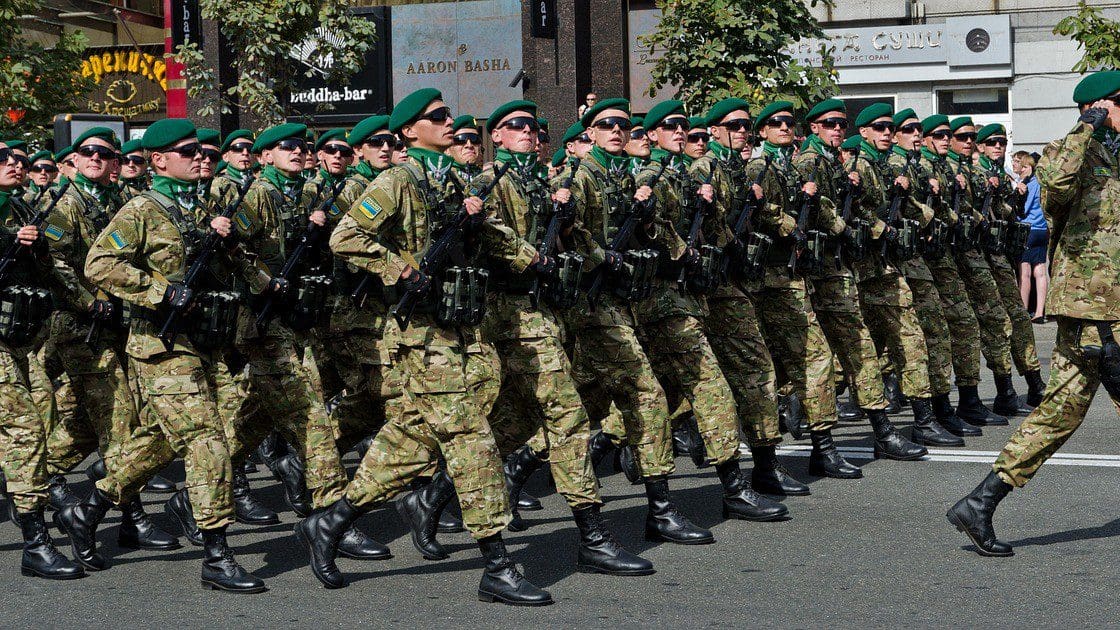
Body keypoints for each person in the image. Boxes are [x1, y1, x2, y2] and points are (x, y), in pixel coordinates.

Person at [299, 88, 552, 606]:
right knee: (469, 437)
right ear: (410, 131)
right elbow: (345, 237)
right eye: (438, 117)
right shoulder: (397, 181)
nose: (450, 121)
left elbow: (491, 233)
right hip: (423, 335)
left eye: (449, 115)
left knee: (415, 438)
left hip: (465, 326)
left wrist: (530, 256)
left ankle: (332, 519)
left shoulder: (457, 178)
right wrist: (400, 266)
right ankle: (497, 563)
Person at [58, 118, 279, 592]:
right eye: (187, 152)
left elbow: (234, 262)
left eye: (202, 151)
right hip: (160, 344)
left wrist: (256, 273)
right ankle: (217, 553)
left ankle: (90, 506)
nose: (201, 157)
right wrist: (158, 291)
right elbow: (100, 263)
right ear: (158, 161)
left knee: (161, 439)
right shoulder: (142, 208)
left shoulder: (202, 206)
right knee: (205, 439)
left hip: (206, 340)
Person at [947, 70, 1120, 557]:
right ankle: (979, 503)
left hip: (1106, 305)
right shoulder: (1077, 151)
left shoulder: (1115, 156)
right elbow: (1055, 184)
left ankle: (979, 503)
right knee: (1064, 409)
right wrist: (1087, 125)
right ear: (1100, 107)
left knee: (1060, 411)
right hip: (1094, 309)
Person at [477, 98, 654, 573]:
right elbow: (485, 238)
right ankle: (592, 535)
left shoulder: (547, 183)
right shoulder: (485, 183)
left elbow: (571, 236)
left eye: (534, 127)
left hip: (548, 309)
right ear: (496, 135)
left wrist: (576, 234)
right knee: (567, 414)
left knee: (514, 417)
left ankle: (433, 495)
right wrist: (527, 256)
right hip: (508, 311)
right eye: (515, 126)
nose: (528, 133)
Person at [795, 98, 930, 458]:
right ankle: (814, 438)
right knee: (818, 357)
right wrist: (849, 223)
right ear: (814, 128)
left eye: (841, 123)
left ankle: (881, 431)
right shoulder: (809, 162)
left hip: (837, 269)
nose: (837, 128)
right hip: (812, 271)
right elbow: (817, 210)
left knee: (857, 350)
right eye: (829, 123)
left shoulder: (836, 162)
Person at [0, 139, 86, 580]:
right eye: (5, 160)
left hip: (17, 340)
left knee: (39, 415)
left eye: (17, 160)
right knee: (24, 430)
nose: (15, 164)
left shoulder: (17, 209)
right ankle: (35, 541)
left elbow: (47, 271)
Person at [1012, 151, 1048, 322]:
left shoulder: (1029, 184)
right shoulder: (1043, 183)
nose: (1021, 168)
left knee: (1024, 273)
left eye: (1025, 166)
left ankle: (1024, 310)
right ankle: (1040, 311)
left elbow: (1023, 210)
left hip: (1028, 229)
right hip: (1042, 229)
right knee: (1040, 271)